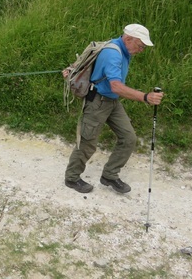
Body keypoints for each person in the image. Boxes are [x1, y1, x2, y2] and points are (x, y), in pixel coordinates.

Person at [63, 24, 164, 194]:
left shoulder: (122, 48)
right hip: (98, 102)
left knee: (128, 138)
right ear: (128, 38)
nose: (141, 50)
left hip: (112, 101)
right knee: (87, 142)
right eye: (140, 46)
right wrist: (145, 97)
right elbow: (116, 86)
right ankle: (72, 178)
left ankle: (109, 175)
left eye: (143, 47)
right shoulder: (113, 54)